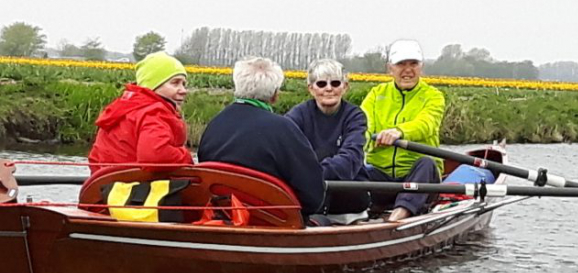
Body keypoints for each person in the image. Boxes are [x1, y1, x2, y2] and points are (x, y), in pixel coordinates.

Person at [197, 57, 325, 217]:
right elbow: (313, 197)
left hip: (222, 219)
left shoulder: (214, 125)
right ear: (275, 95)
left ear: (237, 87)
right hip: (275, 225)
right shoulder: (284, 129)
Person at [361, 39, 446, 221]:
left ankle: (398, 217)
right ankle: (352, 215)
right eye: (401, 64)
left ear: (421, 67)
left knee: (426, 163)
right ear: (390, 68)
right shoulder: (376, 94)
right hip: (382, 177)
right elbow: (363, 125)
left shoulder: (433, 96)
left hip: (419, 178)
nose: (408, 70)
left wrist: (399, 131)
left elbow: (427, 123)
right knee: (353, 168)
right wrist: (363, 141)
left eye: (413, 64)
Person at [285, 59, 370, 221]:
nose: (329, 89)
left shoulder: (355, 116)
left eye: (335, 83)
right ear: (311, 89)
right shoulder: (297, 115)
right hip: (309, 192)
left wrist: (310, 174)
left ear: (345, 87)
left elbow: (351, 159)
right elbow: (287, 154)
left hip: (347, 193)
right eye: (322, 84)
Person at [87, 51, 193, 174]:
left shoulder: (121, 109)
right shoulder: (154, 112)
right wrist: (186, 157)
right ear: (153, 85)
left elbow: (95, 158)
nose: (183, 90)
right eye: (175, 83)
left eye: (184, 84)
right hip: (138, 189)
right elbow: (155, 156)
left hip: (107, 189)